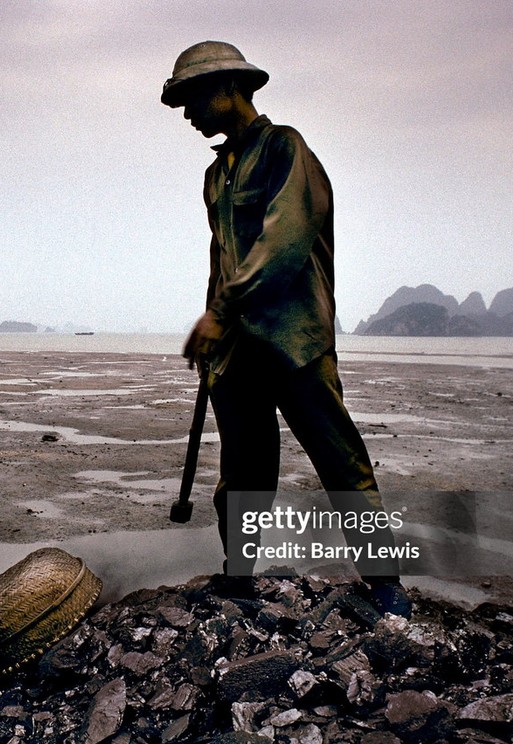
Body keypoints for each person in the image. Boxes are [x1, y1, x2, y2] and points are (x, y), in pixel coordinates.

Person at [161, 41, 411, 617]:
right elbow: (221, 258)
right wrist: (213, 334)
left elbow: (285, 241)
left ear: (231, 88)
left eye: (194, 97)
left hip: (294, 339)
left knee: (340, 461)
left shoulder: (284, 149)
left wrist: (221, 310)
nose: (188, 113)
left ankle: (385, 581)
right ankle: (238, 577)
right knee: (244, 472)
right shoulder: (215, 175)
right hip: (237, 350)